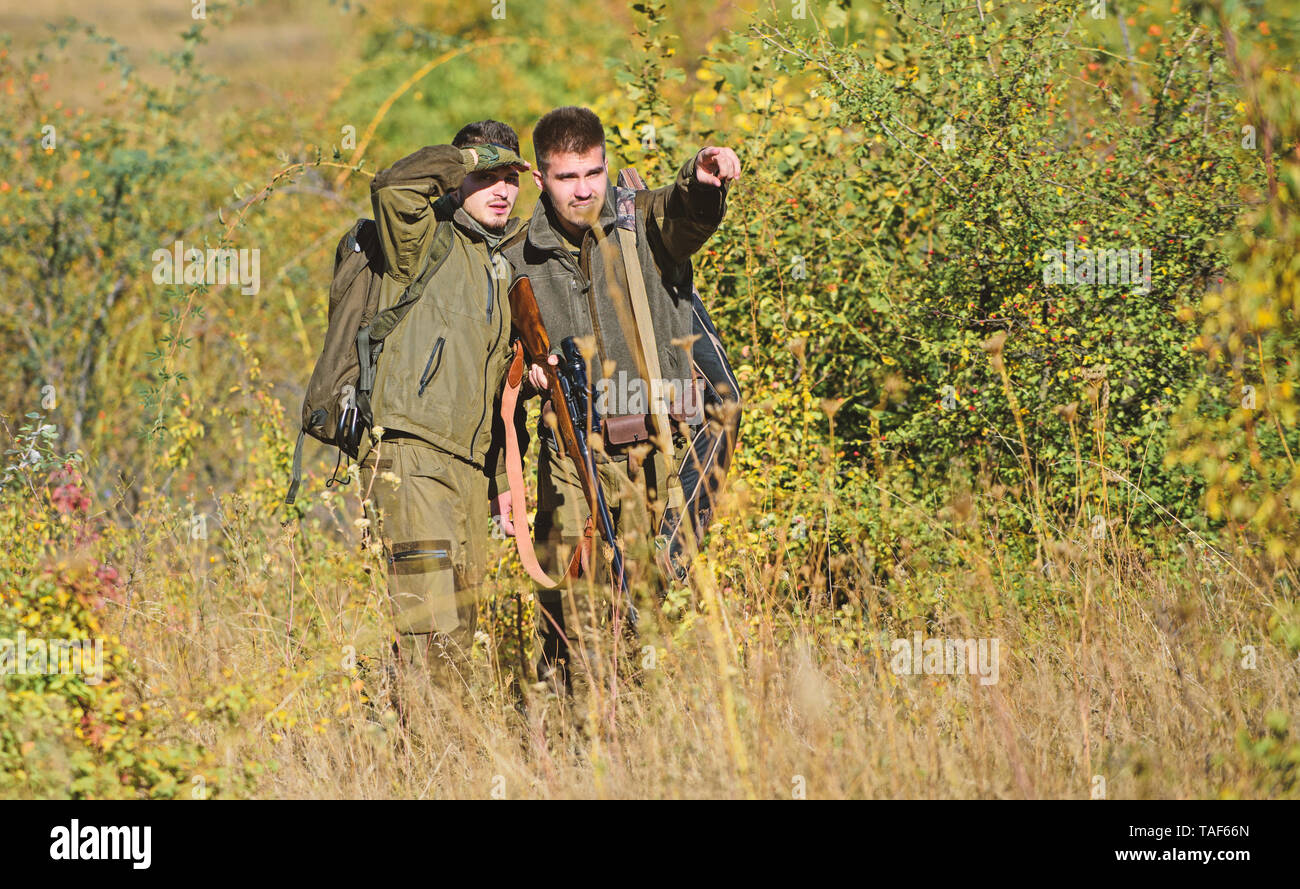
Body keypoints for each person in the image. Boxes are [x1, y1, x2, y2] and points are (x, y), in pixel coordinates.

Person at [497, 105, 740, 695]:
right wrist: (523, 377)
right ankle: (561, 734)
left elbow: (684, 215)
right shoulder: (514, 257)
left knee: (642, 607)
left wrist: (702, 181)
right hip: (570, 457)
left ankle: (637, 736)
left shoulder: (641, 220)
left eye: (594, 173)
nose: (584, 191)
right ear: (540, 179)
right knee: (567, 611)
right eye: (567, 177)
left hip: (648, 451)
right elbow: (496, 366)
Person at [357, 120, 530, 698]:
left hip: (468, 471)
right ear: (460, 178)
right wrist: (466, 157)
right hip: (412, 453)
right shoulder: (421, 238)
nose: (502, 188)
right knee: (430, 626)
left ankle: (426, 756)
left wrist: (503, 477)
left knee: (459, 630)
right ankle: (419, 763)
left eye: (511, 176)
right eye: (487, 176)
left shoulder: (500, 262)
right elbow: (391, 187)